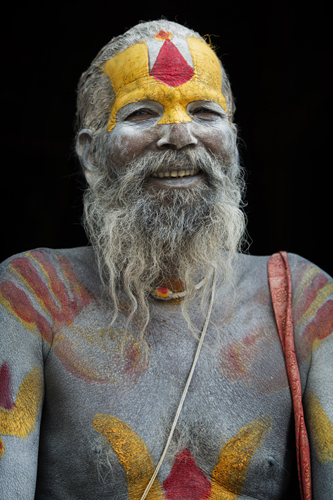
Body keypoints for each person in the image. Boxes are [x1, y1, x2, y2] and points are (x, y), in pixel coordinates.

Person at [0, 19, 332, 500]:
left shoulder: (304, 300)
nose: (180, 134)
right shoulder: (31, 296)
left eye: (203, 111)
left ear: (232, 142)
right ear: (91, 155)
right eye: (141, 113)